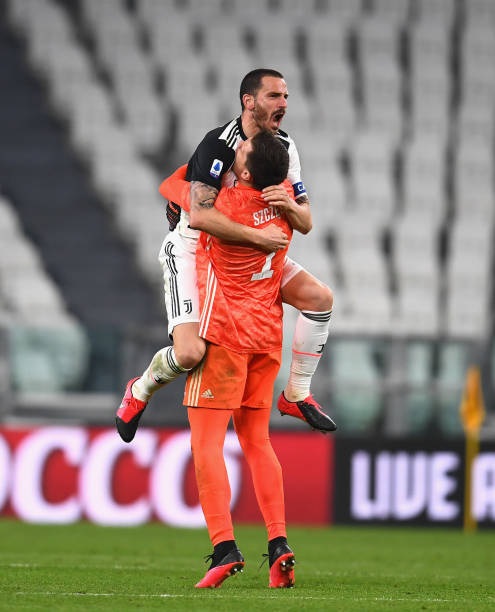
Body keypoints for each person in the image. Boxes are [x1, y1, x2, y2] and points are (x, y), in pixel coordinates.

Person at [116, 68, 336, 443]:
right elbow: (199, 215)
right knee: (188, 354)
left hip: (249, 257)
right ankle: (140, 389)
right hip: (195, 250)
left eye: (286, 96)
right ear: (248, 102)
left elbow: (306, 221)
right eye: (274, 96)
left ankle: (296, 393)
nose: (284, 103)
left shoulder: (285, 146)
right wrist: (258, 236)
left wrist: (288, 204)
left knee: (320, 299)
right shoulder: (218, 145)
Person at [188, 131, 295, 588]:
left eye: (241, 154)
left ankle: (224, 546)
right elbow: (300, 211)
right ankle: (279, 545)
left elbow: (191, 204)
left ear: (246, 171)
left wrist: (205, 161)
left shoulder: (228, 207)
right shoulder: (285, 203)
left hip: (226, 335)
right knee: (257, 442)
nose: (234, 154)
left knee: (207, 443)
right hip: (268, 336)